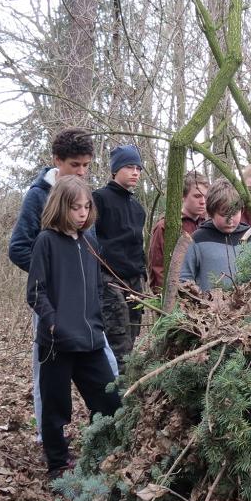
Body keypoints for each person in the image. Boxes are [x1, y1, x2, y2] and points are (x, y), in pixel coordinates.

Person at [8, 128, 118, 443]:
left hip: (87, 310)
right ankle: (49, 439)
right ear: (57, 161)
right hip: (51, 304)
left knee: (106, 368)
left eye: (86, 165)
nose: (82, 171)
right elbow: (18, 248)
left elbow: (90, 249)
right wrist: (57, 280)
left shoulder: (83, 199)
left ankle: (108, 436)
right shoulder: (38, 195)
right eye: (74, 165)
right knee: (49, 378)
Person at [26, 176, 122, 481]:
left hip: (90, 338)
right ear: (60, 207)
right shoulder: (46, 241)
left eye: (86, 206)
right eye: (75, 207)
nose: (82, 213)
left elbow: (96, 286)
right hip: (57, 343)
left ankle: (104, 453)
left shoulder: (90, 243)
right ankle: (57, 464)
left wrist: (98, 321)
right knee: (55, 408)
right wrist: (53, 323)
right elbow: (36, 291)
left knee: (108, 400)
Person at [92, 145, 147, 371]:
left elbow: (138, 244)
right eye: (129, 167)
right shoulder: (99, 199)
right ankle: (116, 398)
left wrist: (142, 275)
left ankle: (126, 392)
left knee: (132, 340)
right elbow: (89, 240)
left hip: (135, 283)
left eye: (138, 168)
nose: (135, 172)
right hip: (109, 280)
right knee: (118, 343)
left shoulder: (137, 207)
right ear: (115, 170)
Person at [179, 179, 251, 291]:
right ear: (211, 212)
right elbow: (184, 278)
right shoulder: (198, 239)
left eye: (234, 213)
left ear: (241, 210)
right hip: (209, 306)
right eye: (224, 214)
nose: (230, 220)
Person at [147, 170, 209, 292]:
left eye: (205, 196)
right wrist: (165, 297)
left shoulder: (208, 224)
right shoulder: (165, 226)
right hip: (176, 296)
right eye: (197, 196)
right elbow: (158, 269)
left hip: (206, 298)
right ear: (183, 196)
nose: (203, 201)